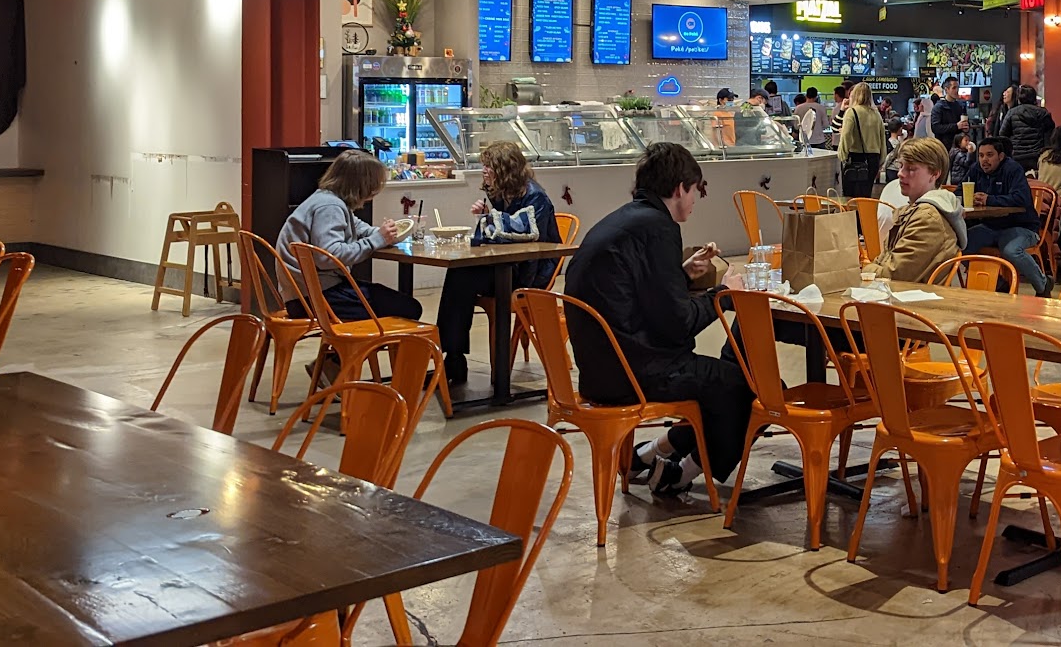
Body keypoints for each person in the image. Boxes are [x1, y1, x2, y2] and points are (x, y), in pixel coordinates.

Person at [565, 142, 750, 496]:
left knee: (724, 383)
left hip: (600, 369)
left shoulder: (626, 220)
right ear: (680, 188)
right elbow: (678, 323)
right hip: (634, 373)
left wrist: (681, 274)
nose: (695, 200)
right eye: (696, 190)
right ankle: (680, 474)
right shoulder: (658, 228)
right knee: (749, 390)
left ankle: (650, 454)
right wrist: (723, 294)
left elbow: (641, 296)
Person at [437, 142, 561, 387]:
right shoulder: (503, 192)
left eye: (489, 166)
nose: (484, 170)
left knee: (462, 278)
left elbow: (526, 235)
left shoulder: (535, 196)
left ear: (505, 168)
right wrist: (488, 215)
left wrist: (490, 219)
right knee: (458, 273)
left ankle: (454, 358)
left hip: (530, 272)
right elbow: (503, 230)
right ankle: (453, 354)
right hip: (508, 265)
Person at [276, 149, 417, 323]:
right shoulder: (330, 207)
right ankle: (361, 342)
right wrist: (377, 240)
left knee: (387, 298)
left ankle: (350, 342)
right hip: (315, 299)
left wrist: (384, 234)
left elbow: (359, 228)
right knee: (408, 307)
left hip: (305, 295)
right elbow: (329, 256)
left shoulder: (326, 199)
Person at [862, 137, 966, 283]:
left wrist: (865, 269)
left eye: (911, 169)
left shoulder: (927, 218)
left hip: (912, 296)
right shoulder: (915, 210)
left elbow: (893, 275)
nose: (900, 173)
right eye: (900, 166)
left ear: (935, 174)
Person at [964, 137, 1048, 295]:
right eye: (981, 155)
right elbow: (960, 191)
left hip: (1022, 226)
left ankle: (1043, 285)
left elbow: (1021, 199)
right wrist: (970, 198)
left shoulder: (1013, 169)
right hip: (991, 226)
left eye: (989, 155)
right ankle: (999, 284)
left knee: (1011, 251)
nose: (984, 160)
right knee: (960, 244)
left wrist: (989, 199)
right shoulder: (976, 169)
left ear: (1001, 156)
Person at [835, 82, 885, 199]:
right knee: (866, 195)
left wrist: (842, 156)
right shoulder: (876, 113)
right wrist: (881, 160)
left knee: (851, 197)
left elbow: (846, 136)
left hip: (856, 158)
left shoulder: (852, 112)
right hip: (873, 159)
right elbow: (882, 138)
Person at [1001, 85, 1056, 173]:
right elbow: (1050, 134)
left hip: (1017, 156)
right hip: (1037, 156)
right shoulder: (1043, 113)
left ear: (1019, 98)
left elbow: (1002, 134)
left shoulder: (1011, 113)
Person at [930, 76, 968, 146]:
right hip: (944, 146)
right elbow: (935, 128)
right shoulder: (939, 107)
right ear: (946, 89)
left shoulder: (959, 106)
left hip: (958, 145)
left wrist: (966, 127)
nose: (957, 90)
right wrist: (956, 126)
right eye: (954, 88)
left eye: (958, 87)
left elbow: (963, 124)